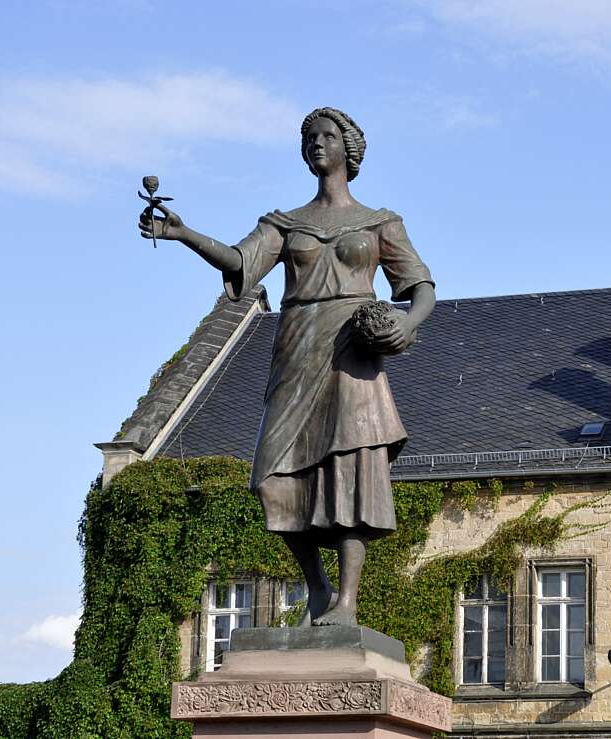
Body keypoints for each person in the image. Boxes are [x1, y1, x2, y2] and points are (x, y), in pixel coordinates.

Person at [138, 107, 436, 626]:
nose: (317, 144)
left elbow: (421, 287)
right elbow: (239, 261)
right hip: (298, 347)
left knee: (349, 473)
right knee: (270, 477)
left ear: (350, 148)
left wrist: (408, 325)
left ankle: (347, 602)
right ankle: (317, 588)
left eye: (327, 136)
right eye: (309, 138)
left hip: (353, 354)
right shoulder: (284, 223)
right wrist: (183, 234)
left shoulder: (379, 222)